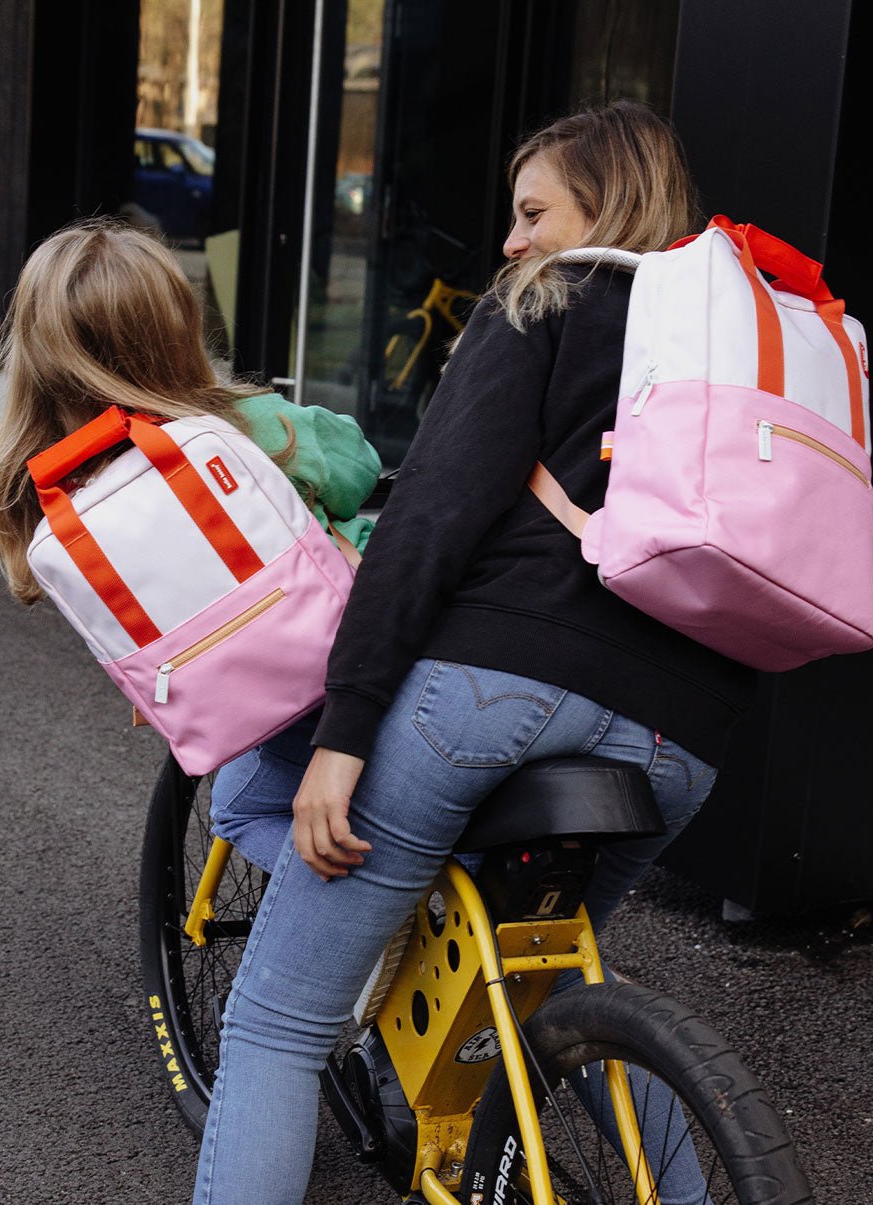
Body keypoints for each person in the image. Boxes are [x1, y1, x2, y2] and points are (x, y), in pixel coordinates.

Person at [191, 97, 758, 1204]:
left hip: (497, 693)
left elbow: (430, 522)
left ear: (604, 203)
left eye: (531, 211)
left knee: (274, 1023)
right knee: (553, 994)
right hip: (683, 729)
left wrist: (344, 733)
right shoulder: (734, 350)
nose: (509, 242)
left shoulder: (548, 300)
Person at [0, 219, 381, 622]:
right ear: (181, 327)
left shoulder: (55, 490)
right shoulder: (258, 425)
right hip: (341, 637)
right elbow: (360, 468)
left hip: (201, 676)